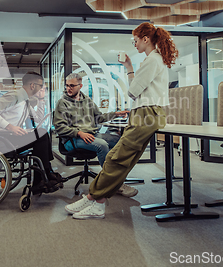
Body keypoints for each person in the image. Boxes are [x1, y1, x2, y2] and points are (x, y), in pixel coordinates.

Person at [65, 22, 178, 219]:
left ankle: (95, 199)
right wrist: (129, 67)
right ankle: (94, 199)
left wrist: (130, 72)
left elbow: (133, 91)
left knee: (116, 159)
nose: (134, 44)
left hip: (146, 114)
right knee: (121, 160)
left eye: (135, 40)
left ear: (145, 39)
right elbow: (135, 88)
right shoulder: (153, 60)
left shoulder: (152, 60)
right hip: (146, 114)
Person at [53, 73, 135, 197]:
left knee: (119, 141)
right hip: (72, 139)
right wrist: (79, 133)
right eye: (67, 85)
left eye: (72, 85)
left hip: (91, 135)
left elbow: (99, 117)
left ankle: (116, 177)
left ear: (80, 86)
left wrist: (115, 114)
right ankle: (112, 184)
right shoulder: (62, 103)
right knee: (101, 145)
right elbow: (60, 127)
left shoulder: (88, 101)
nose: (68, 88)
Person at [0, 71, 62, 195]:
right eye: (41, 86)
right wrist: (10, 127)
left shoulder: (25, 100)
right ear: (32, 85)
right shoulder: (14, 96)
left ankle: (45, 173)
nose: (42, 89)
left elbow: (37, 118)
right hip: (1, 138)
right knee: (41, 135)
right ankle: (42, 177)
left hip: (10, 138)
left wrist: (41, 99)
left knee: (42, 133)